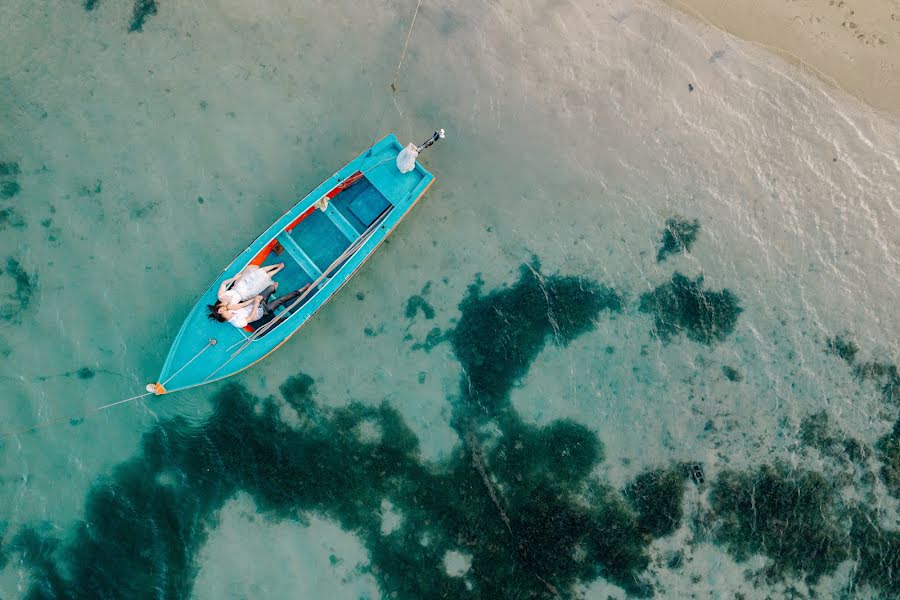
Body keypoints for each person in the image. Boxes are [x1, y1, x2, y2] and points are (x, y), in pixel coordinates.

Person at [207, 282, 310, 329]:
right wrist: (256, 303)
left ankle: (273, 289)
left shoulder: (229, 310)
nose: (222, 307)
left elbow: (242, 305)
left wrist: (255, 299)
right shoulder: (237, 323)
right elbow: (251, 318)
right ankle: (302, 290)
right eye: (220, 308)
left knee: (270, 287)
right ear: (220, 312)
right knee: (281, 300)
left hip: (257, 303)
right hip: (263, 310)